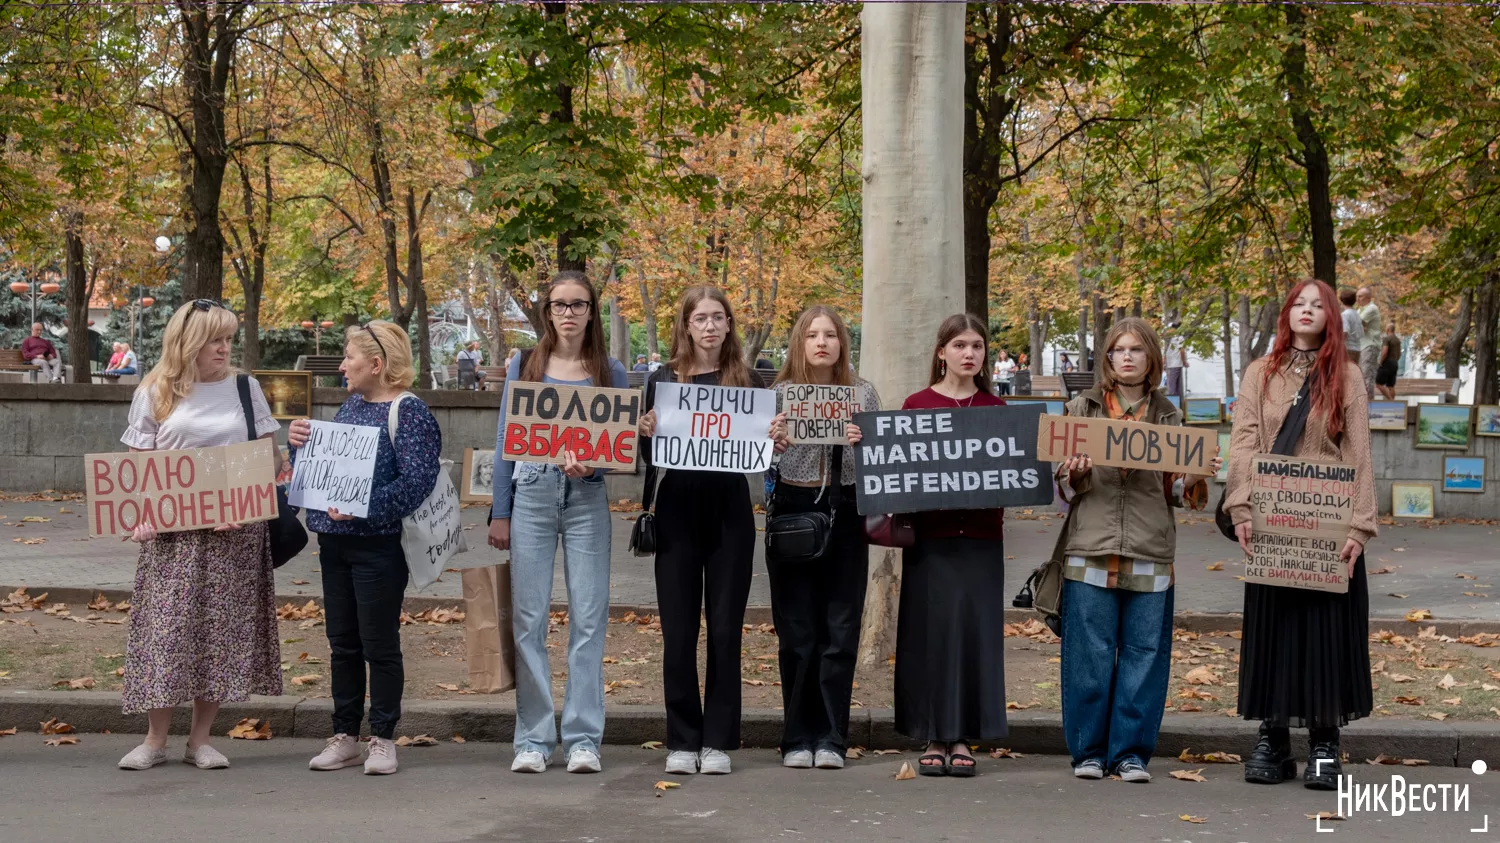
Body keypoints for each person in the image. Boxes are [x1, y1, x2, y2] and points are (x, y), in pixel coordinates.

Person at [115, 299, 283, 772]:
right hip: (172, 537)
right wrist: (140, 515)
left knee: (220, 636)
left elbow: (265, 459)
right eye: (216, 339)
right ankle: (154, 739)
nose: (225, 348)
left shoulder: (247, 389)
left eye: (229, 338)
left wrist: (245, 503)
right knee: (166, 632)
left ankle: (201, 739)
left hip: (233, 534)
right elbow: (135, 466)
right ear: (188, 342)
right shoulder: (155, 390)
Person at [1050, 317, 1219, 783]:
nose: (1126, 357)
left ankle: (1130, 754)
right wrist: (1076, 472)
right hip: (1091, 547)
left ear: (1151, 359)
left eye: (1136, 350)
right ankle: (1088, 751)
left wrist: (1196, 478)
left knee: (1144, 656)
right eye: (1117, 350)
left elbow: (1177, 493)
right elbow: (1063, 486)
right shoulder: (1081, 407)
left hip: (1150, 549)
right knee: (1089, 654)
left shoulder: (1168, 415)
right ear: (1107, 359)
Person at [1223, 279, 1375, 790]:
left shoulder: (1347, 377)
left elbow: (1358, 451)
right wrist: (1240, 505)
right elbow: (1243, 440)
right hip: (1271, 520)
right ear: (1286, 314)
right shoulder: (1258, 374)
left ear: (1331, 317)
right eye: (1298, 304)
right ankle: (1273, 737)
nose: (1306, 311)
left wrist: (1360, 523)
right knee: (1276, 628)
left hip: (1330, 523)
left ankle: (1326, 742)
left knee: (1325, 631)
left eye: (1317, 305)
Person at [849, 313, 1007, 778]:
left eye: (977, 345)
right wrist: (863, 442)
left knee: (973, 638)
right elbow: (893, 470)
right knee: (931, 637)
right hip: (931, 542)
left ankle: (963, 737)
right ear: (942, 353)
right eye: (959, 345)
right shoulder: (916, 405)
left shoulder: (998, 411)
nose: (969, 353)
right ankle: (934, 735)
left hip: (981, 542)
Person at [637, 285, 787, 776]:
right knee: (678, 631)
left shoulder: (749, 380)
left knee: (725, 629)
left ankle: (719, 739)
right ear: (685, 325)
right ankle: (681, 739)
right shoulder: (661, 379)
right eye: (699, 318)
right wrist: (645, 432)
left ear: (728, 325)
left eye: (717, 317)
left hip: (730, 511)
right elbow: (647, 459)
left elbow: (765, 454)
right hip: (677, 509)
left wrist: (776, 440)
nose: (708, 326)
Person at [486, 272, 628, 775]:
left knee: (588, 619)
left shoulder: (610, 370)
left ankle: (584, 738)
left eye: (578, 305)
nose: (568, 313)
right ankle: (533, 739)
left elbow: (621, 446)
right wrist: (499, 509)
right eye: (559, 305)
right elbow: (505, 437)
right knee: (528, 620)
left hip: (587, 498)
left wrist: (595, 465)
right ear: (548, 312)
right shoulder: (526, 363)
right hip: (531, 496)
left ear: (592, 311)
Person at [289, 320, 442, 776]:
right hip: (334, 543)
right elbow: (326, 471)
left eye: (349, 359)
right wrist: (298, 447)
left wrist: (365, 508)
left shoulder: (409, 411)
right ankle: (344, 736)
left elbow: (418, 481)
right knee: (343, 644)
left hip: (379, 546)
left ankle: (383, 738)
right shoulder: (352, 406)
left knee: (379, 644)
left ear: (377, 364)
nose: (341, 367)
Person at [768, 306, 880, 771]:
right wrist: (770, 443)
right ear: (800, 342)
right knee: (797, 631)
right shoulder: (779, 395)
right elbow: (755, 465)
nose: (821, 342)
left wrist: (864, 442)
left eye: (829, 334)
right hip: (794, 513)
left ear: (841, 343)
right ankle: (796, 735)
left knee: (840, 629)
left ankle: (833, 736)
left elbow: (885, 459)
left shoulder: (863, 393)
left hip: (848, 511)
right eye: (812, 335)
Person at [1356, 287, 1381, 400]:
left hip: (1369, 345)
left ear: (1368, 298)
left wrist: (1360, 325)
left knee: (1367, 375)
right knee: (1361, 375)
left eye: (1360, 296)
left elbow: (1356, 322)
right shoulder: (1359, 310)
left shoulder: (1371, 308)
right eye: (1357, 296)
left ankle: (1369, 404)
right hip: (1362, 345)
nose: (1357, 299)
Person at [1338, 288, 1363, 366]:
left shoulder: (1345, 315)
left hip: (1348, 349)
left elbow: (1345, 331)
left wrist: (1338, 346)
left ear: (1341, 301)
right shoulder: (1357, 314)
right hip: (1357, 348)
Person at [1376, 323, 1400, 401]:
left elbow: (1385, 351)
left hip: (1387, 363)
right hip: (1395, 363)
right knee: (1390, 386)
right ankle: (1393, 402)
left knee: (1378, 383)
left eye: (1386, 329)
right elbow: (1399, 353)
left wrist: (1380, 362)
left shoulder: (1387, 339)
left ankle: (1390, 399)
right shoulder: (1397, 340)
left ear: (1388, 329)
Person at [1162, 323, 1188, 397]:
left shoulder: (1180, 338)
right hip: (1172, 365)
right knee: (1174, 387)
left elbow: (1182, 351)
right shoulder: (1173, 339)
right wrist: (1164, 362)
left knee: (1172, 388)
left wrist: (1184, 362)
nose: (1168, 331)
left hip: (1175, 365)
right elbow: (1169, 352)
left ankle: (1174, 405)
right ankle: (1176, 404)